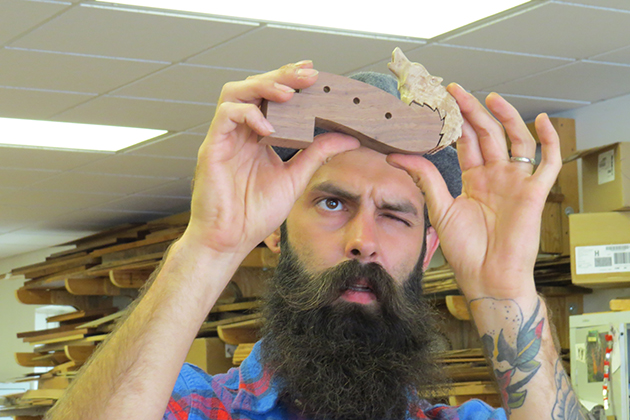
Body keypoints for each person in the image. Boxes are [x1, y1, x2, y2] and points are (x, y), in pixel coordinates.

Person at [45, 60, 587, 420]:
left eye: (395, 216)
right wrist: (210, 246)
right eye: (333, 203)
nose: (362, 242)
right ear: (275, 233)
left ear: (428, 249)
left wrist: (506, 290)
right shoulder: (194, 407)